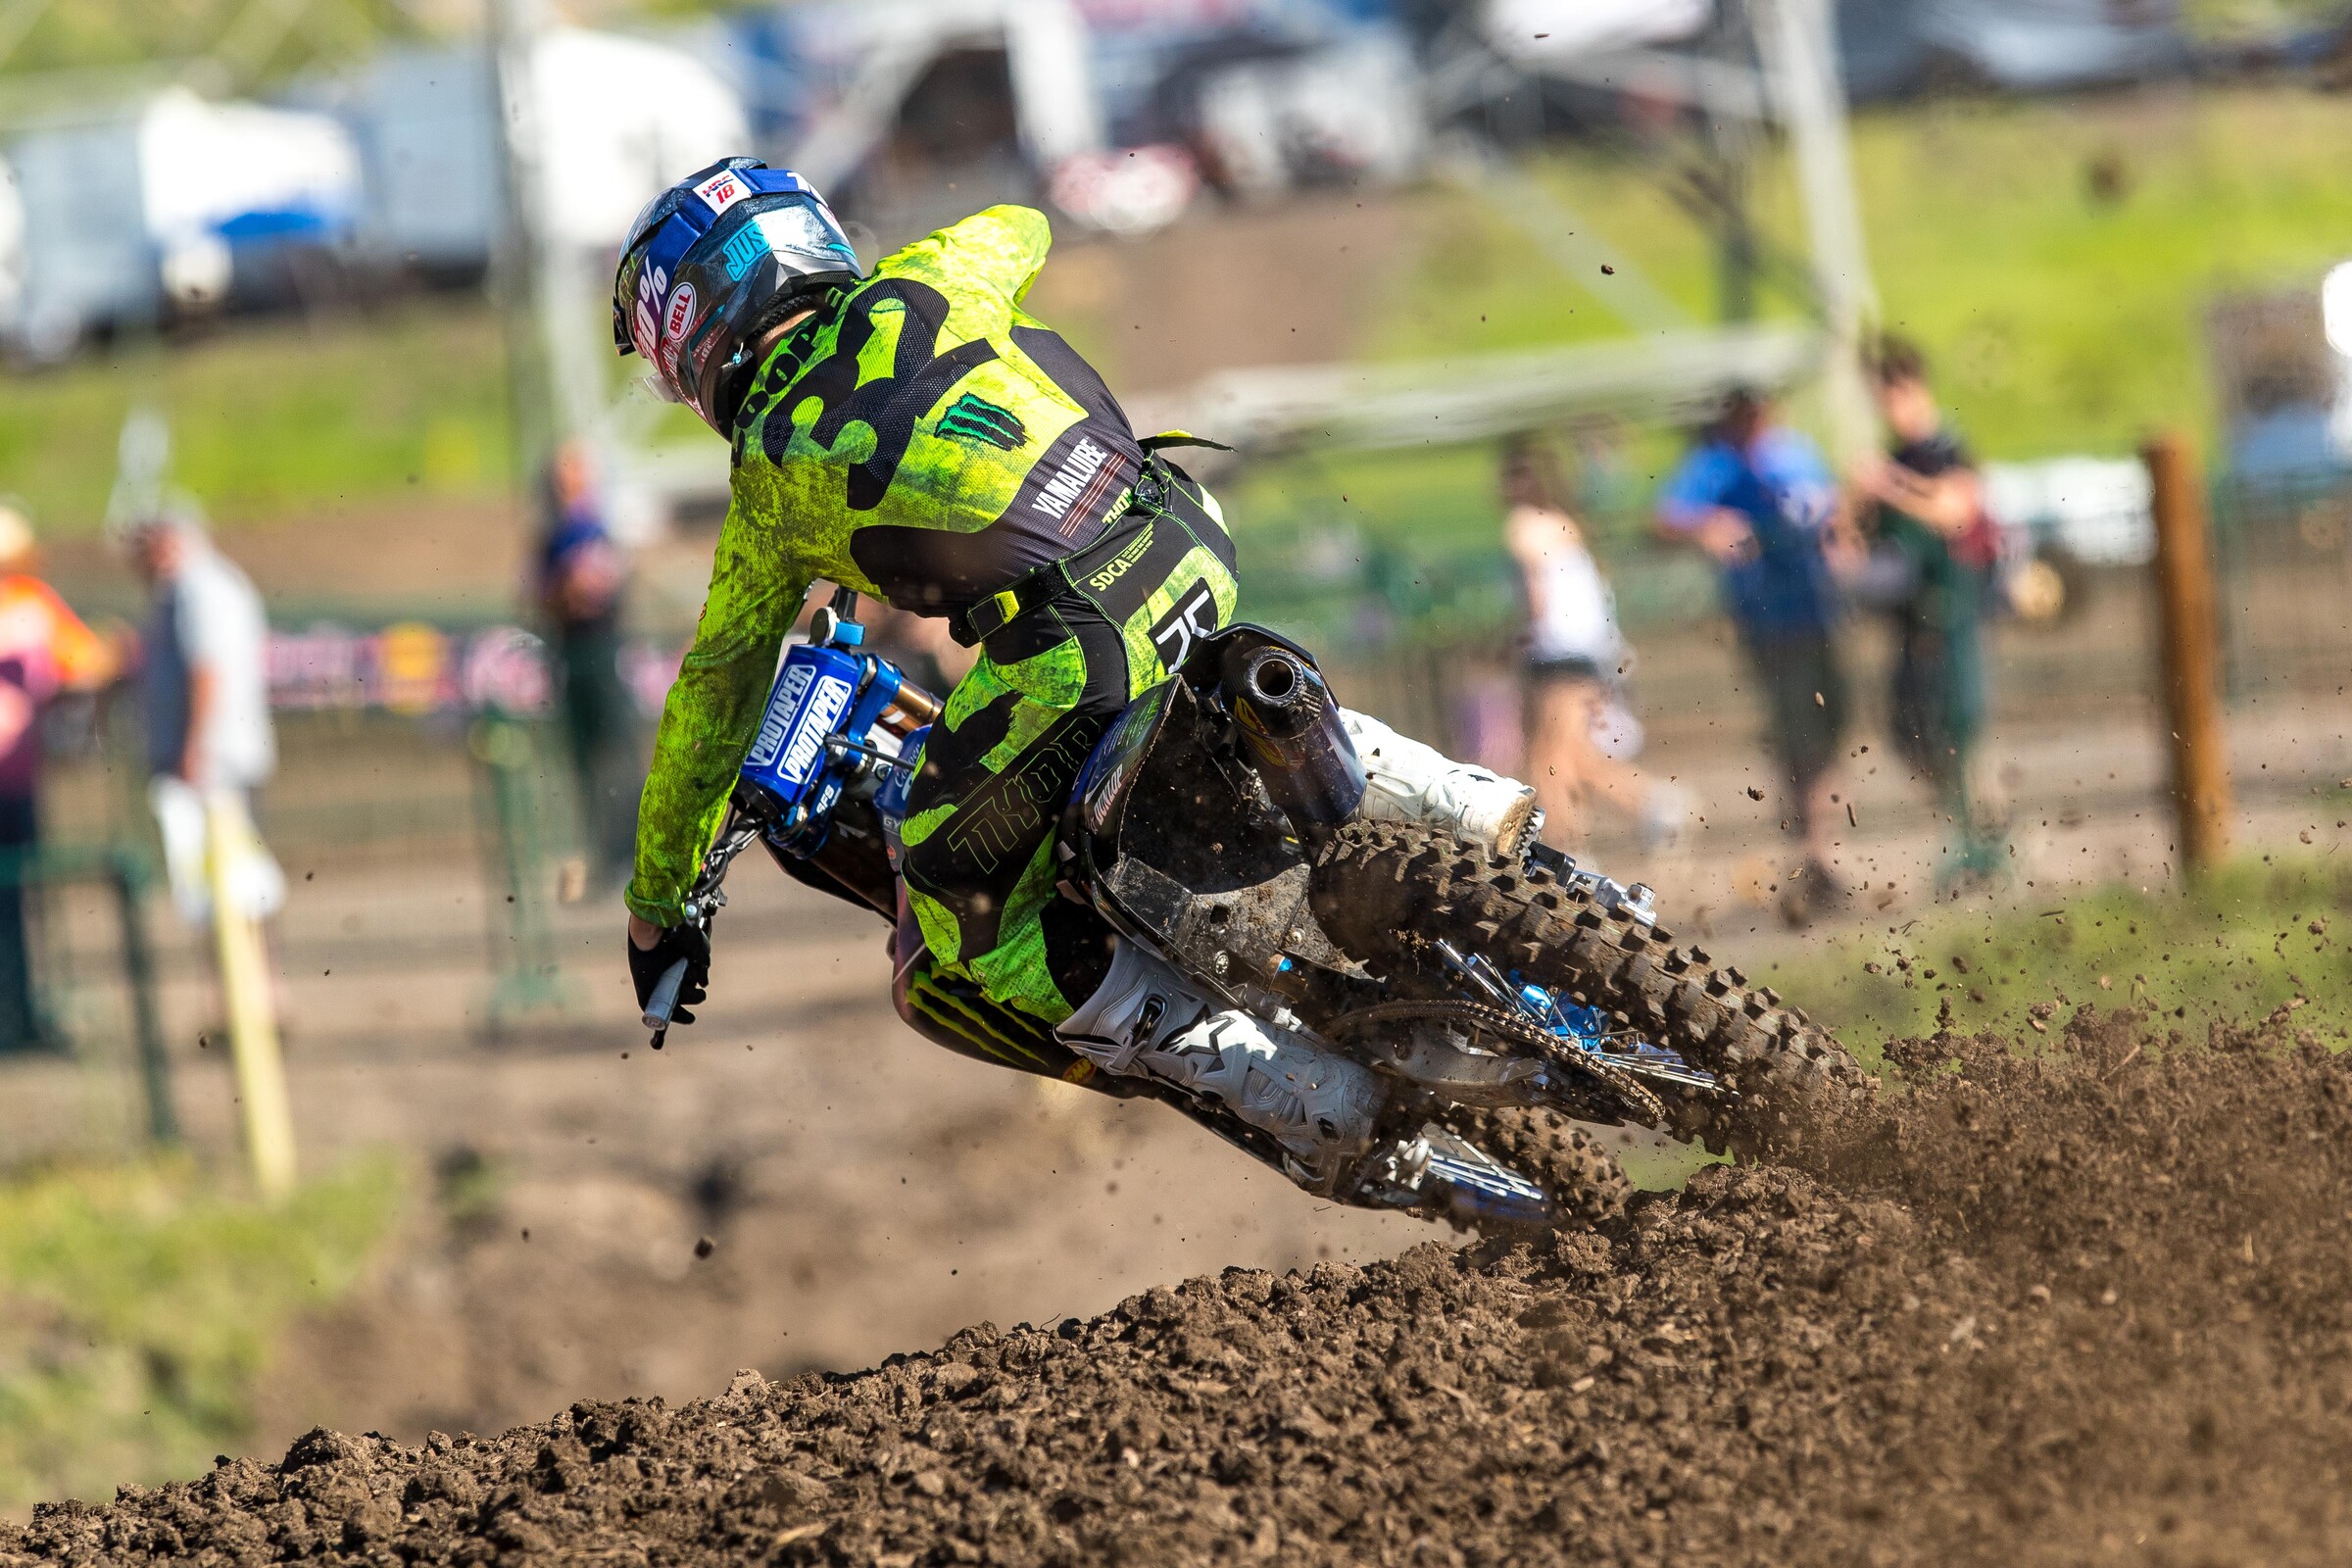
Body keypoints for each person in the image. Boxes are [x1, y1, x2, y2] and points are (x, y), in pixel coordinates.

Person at [615, 159, 1535, 1196]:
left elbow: (708, 705)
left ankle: (1294, 1088)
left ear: (697, 334)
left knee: (956, 899)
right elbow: (1018, 221)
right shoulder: (940, 271)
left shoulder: (769, 480)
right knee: (1216, 693)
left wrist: (657, 907)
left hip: (1071, 641)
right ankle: (1460, 798)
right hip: (1182, 529)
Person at [1655, 388, 1852, 923]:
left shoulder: (1796, 453)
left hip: (1819, 613)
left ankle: (1820, 850)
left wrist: (1843, 540)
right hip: (1770, 624)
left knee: (1828, 731)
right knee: (1796, 735)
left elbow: (1835, 511)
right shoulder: (1716, 463)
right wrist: (1708, 527)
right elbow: (1666, 517)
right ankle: (1811, 854)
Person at [1848, 336, 2001, 886]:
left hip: (1954, 612)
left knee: (1961, 726)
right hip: (1912, 620)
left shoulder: (1945, 449)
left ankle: (1984, 843)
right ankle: (1970, 833)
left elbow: (1954, 513)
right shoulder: (1900, 457)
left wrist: (1891, 489)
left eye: (1893, 394)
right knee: (1912, 732)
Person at [1498, 435, 1684, 851]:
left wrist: (1513, 643)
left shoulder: (1524, 526)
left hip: (1557, 656)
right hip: (1588, 652)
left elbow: (1537, 603)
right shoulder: (1567, 522)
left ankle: (1570, 853)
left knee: (1548, 762)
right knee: (1573, 756)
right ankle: (1652, 803)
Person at [122, 508, 283, 930]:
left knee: (232, 881)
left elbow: (207, 671)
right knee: (220, 883)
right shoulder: (189, 589)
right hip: (214, 753)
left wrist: (196, 747)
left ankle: (251, 990)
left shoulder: (200, 589)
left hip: (212, 759)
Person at [0, 503, 120, 1052]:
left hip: (16, 778)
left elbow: (84, 662)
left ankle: (19, 1016)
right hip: (15, 779)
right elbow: (88, 661)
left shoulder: (31, 607)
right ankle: (19, 1018)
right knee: (19, 903)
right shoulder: (32, 609)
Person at [537, 439, 641, 890]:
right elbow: (547, 595)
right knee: (587, 765)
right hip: (572, 660)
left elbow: (597, 588)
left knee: (619, 759)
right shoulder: (555, 535)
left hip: (603, 657)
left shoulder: (596, 528)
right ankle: (605, 855)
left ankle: (630, 857)